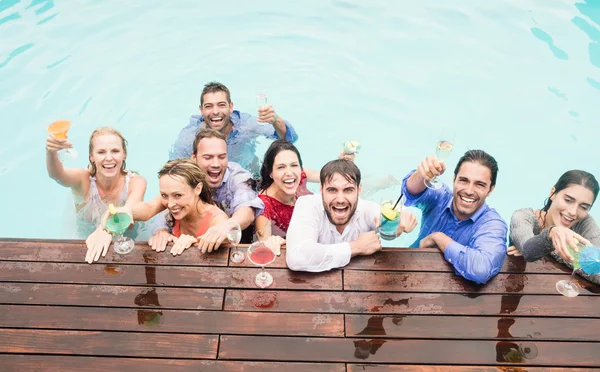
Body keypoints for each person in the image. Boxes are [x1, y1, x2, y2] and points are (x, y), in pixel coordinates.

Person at [286, 159, 417, 272]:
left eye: (348, 190)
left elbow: (383, 221)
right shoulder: (307, 204)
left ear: (359, 190)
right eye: (332, 190)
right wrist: (356, 247)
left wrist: (397, 220)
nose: (340, 199)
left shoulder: (366, 209)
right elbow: (296, 257)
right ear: (321, 190)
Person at [401, 149, 507, 284]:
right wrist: (421, 174)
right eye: (463, 180)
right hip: (408, 268)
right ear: (454, 179)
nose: (469, 191)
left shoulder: (492, 224)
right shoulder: (440, 196)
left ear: (490, 190)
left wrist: (438, 238)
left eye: (479, 184)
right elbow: (409, 194)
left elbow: (481, 269)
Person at [149, 129, 264, 253]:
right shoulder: (184, 177)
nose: (216, 164)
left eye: (221, 157)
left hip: (231, 232)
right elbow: (167, 205)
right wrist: (161, 231)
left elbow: (247, 210)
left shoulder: (238, 177)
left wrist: (224, 226)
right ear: (194, 157)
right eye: (208, 157)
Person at [45, 126, 146, 262]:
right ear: (92, 157)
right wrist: (51, 152)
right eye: (101, 152)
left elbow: (128, 213)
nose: (109, 158)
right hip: (85, 245)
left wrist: (104, 229)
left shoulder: (136, 182)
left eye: (115, 151)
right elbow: (57, 175)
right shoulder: (83, 180)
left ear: (124, 154)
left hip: (128, 242)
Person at [169, 81, 298, 175]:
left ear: (231, 107)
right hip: (210, 179)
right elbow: (174, 172)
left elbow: (288, 139)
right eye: (209, 106)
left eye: (221, 105)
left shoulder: (245, 125)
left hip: (249, 173)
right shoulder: (189, 138)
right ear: (201, 110)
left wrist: (275, 120)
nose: (215, 111)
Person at [107, 159, 229, 258]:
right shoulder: (176, 203)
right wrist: (123, 212)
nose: (170, 204)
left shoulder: (217, 220)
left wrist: (194, 245)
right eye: (164, 195)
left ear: (198, 189)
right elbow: (148, 208)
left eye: (178, 195)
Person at [507, 170, 599, 284]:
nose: (573, 212)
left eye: (584, 207)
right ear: (553, 193)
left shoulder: (585, 222)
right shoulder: (523, 216)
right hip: (517, 286)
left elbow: (598, 269)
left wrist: (547, 250)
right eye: (568, 200)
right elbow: (528, 250)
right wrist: (551, 235)